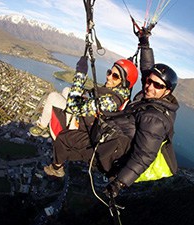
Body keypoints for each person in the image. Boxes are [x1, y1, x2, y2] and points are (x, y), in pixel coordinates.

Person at [46, 31, 179, 198]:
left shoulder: (155, 119)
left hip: (109, 151)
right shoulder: (152, 97)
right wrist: (144, 44)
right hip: (111, 134)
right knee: (70, 134)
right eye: (149, 82)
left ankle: (56, 169)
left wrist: (120, 183)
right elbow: (147, 71)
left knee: (65, 138)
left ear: (167, 91)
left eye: (157, 85)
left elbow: (144, 156)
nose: (149, 87)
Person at [29, 56, 138, 139]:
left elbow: (74, 108)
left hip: (80, 127)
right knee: (67, 90)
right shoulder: (118, 92)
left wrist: (80, 76)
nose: (108, 77)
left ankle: (42, 126)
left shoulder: (112, 101)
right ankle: (48, 119)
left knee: (53, 96)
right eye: (109, 72)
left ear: (124, 82)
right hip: (86, 119)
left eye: (115, 76)